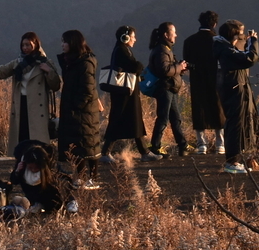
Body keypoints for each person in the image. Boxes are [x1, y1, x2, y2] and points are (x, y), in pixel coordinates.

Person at [0, 32, 61, 154]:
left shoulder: (45, 62)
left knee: (37, 143)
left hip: (37, 107)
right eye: (23, 45)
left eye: (28, 45)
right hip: (21, 104)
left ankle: (38, 164)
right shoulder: (17, 63)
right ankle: (22, 163)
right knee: (22, 137)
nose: (25, 48)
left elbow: (56, 85)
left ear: (36, 45)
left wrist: (49, 71)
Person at [55, 29, 102, 192]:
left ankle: (93, 178)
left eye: (65, 41)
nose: (62, 45)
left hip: (84, 111)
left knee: (89, 144)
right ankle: (81, 177)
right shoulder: (71, 61)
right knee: (78, 145)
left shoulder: (85, 62)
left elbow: (87, 89)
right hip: (74, 109)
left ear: (73, 42)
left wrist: (76, 106)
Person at [215, 20, 259, 174]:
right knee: (235, 124)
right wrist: (253, 41)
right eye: (240, 33)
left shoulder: (221, 47)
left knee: (237, 123)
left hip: (231, 87)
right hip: (234, 89)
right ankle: (232, 161)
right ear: (233, 34)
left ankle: (235, 159)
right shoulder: (226, 50)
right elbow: (250, 58)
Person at [144, 22, 192, 160]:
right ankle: (155, 146)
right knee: (163, 118)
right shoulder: (161, 50)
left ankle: (182, 144)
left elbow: (170, 69)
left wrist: (180, 68)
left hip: (170, 87)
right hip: (165, 88)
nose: (175, 35)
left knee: (175, 118)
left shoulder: (165, 49)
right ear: (166, 34)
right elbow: (164, 70)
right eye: (173, 32)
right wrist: (179, 66)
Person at [101, 25, 147, 161]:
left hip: (124, 92)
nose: (135, 39)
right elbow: (135, 66)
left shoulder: (121, 49)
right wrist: (139, 65)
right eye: (133, 37)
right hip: (124, 92)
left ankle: (144, 151)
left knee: (127, 120)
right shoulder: (122, 50)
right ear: (125, 38)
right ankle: (105, 153)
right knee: (121, 120)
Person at [182, 11, 223, 155]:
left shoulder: (189, 41)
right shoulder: (218, 40)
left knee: (199, 109)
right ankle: (220, 143)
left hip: (197, 79)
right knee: (218, 108)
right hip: (215, 79)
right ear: (214, 24)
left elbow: (186, 63)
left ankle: (201, 144)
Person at [6, 139, 69, 215]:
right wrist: (17, 171)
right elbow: (14, 181)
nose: (33, 170)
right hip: (31, 195)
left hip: (49, 196)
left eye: (36, 168)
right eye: (30, 168)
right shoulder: (22, 164)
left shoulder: (51, 165)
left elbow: (59, 184)